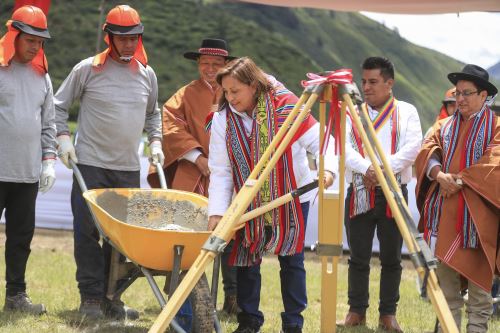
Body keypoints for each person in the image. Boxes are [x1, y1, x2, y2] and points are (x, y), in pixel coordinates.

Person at [207, 57, 336, 333]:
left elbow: (324, 141)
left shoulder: (287, 107)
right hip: (247, 197)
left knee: (292, 259)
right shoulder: (222, 119)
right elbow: (220, 170)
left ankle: (293, 323)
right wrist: (217, 212)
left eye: (235, 91)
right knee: (245, 257)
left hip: (291, 193)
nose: (229, 98)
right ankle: (248, 320)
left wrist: (330, 171)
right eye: (226, 92)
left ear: (253, 85)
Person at [54, 5, 163, 320]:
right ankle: (90, 296)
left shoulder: (147, 74)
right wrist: (62, 138)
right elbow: (59, 105)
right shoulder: (87, 69)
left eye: (134, 38)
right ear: (109, 37)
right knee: (87, 231)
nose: (129, 44)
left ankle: (111, 297)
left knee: (121, 238)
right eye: (123, 38)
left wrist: (156, 141)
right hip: (89, 163)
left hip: (128, 167)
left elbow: (154, 113)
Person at [147, 38, 240, 314]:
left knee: (231, 236)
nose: (210, 69)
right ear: (198, 64)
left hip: (230, 175)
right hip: (192, 173)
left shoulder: (237, 93)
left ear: (227, 66)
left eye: (216, 64)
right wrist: (197, 158)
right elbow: (170, 126)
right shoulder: (185, 94)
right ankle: (182, 296)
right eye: (205, 64)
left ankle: (233, 298)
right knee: (185, 235)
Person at [338, 57, 422, 332]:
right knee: (358, 256)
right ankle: (356, 310)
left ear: (389, 83)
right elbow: (344, 148)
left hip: (394, 191)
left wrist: (382, 170)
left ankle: (388, 313)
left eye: (373, 82)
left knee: (392, 258)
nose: (366, 87)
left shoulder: (407, 111)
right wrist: (367, 169)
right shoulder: (353, 111)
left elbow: (413, 147)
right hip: (360, 189)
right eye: (363, 82)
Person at [415, 64, 499, 333]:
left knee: (479, 295)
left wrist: (458, 181)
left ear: (483, 95)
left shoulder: (496, 127)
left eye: (467, 93)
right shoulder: (444, 125)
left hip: (480, 223)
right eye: (458, 93)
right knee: (446, 290)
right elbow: (428, 150)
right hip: (445, 218)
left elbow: (495, 164)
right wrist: (439, 175)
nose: (460, 99)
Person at [0, 5, 56, 315]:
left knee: (21, 239)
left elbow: (49, 123)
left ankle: (16, 297)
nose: (35, 46)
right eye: (30, 40)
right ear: (15, 35)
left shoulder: (42, 77)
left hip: (26, 176)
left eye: (40, 41)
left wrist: (48, 160)